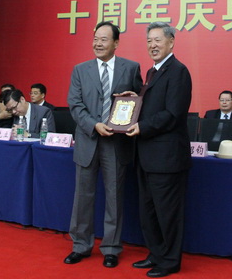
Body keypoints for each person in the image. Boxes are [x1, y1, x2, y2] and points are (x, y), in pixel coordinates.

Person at [64, 21, 142, 269]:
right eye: (95, 39)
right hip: (88, 140)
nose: (97, 43)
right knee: (82, 197)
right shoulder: (80, 70)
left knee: (114, 198)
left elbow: (140, 101)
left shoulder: (131, 68)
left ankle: (111, 248)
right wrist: (94, 125)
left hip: (117, 144)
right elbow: (75, 104)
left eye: (103, 39)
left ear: (116, 43)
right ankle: (80, 245)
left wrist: (135, 100)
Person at [126, 22, 192, 278]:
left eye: (157, 40)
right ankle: (155, 254)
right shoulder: (152, 72)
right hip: (146, 156)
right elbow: (151, 106)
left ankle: (170, 261)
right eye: (149, 41)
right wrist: (132, 100)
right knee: (149, 211)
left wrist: (142, 126)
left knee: (168, 213)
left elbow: (173, 114)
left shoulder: (178, 71)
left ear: (171, 41)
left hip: (167, 158)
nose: (152, 45)